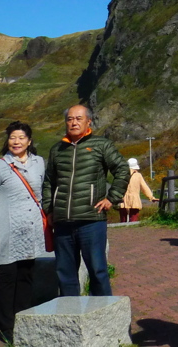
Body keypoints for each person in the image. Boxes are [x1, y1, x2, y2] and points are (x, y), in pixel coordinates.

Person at [42, 104, 131, 296]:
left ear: (88, 121)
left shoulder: (101, 145)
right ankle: (70, 316)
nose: (73, 122)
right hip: (63, 222)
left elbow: (122, 170)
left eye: (78, 118)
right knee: (65, 273)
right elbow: (48, 182)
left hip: (92, 221)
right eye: (70, 119)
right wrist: (49, 209)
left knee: (98, 271)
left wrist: (112, 198)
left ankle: (103, 315)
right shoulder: (57, 149)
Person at [0, 121, 46, 343]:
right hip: (7, 230)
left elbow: (44, 194)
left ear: (29, 141)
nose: (16, 142)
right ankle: (5, 325)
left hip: (31, 229)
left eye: (20, 138)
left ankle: (22, 318)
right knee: (7, 276)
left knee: (26, 274)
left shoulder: (39, 163)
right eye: (12, 138)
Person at [118, 157, 158, 223]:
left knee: (123, 220)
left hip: (123, 200)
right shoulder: (138, 175)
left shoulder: (121, 174)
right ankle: (132, 232)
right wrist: (151, 197)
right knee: (134, 220)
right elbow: (145, 188)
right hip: (135, 200)